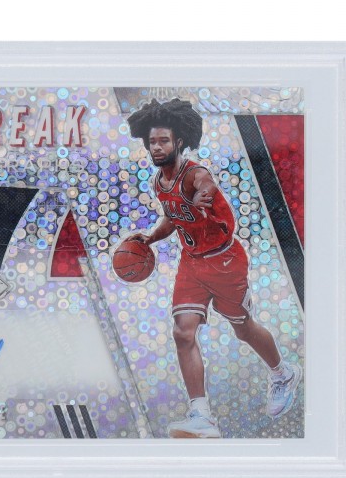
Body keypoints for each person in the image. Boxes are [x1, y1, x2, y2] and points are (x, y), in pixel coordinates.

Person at [125, 98, 301, 438]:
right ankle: (201, 416)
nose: (157, 147)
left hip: (224, 262)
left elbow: (206, 186)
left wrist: (201, 196)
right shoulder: (158, 182)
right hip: (192, 263)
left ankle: (283, 373)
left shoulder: (196, 174)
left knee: (243, 329)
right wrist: (151, 237)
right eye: (152, 141)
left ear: (178, 141)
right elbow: (173, 218)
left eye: (163, 141)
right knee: (183, 332)